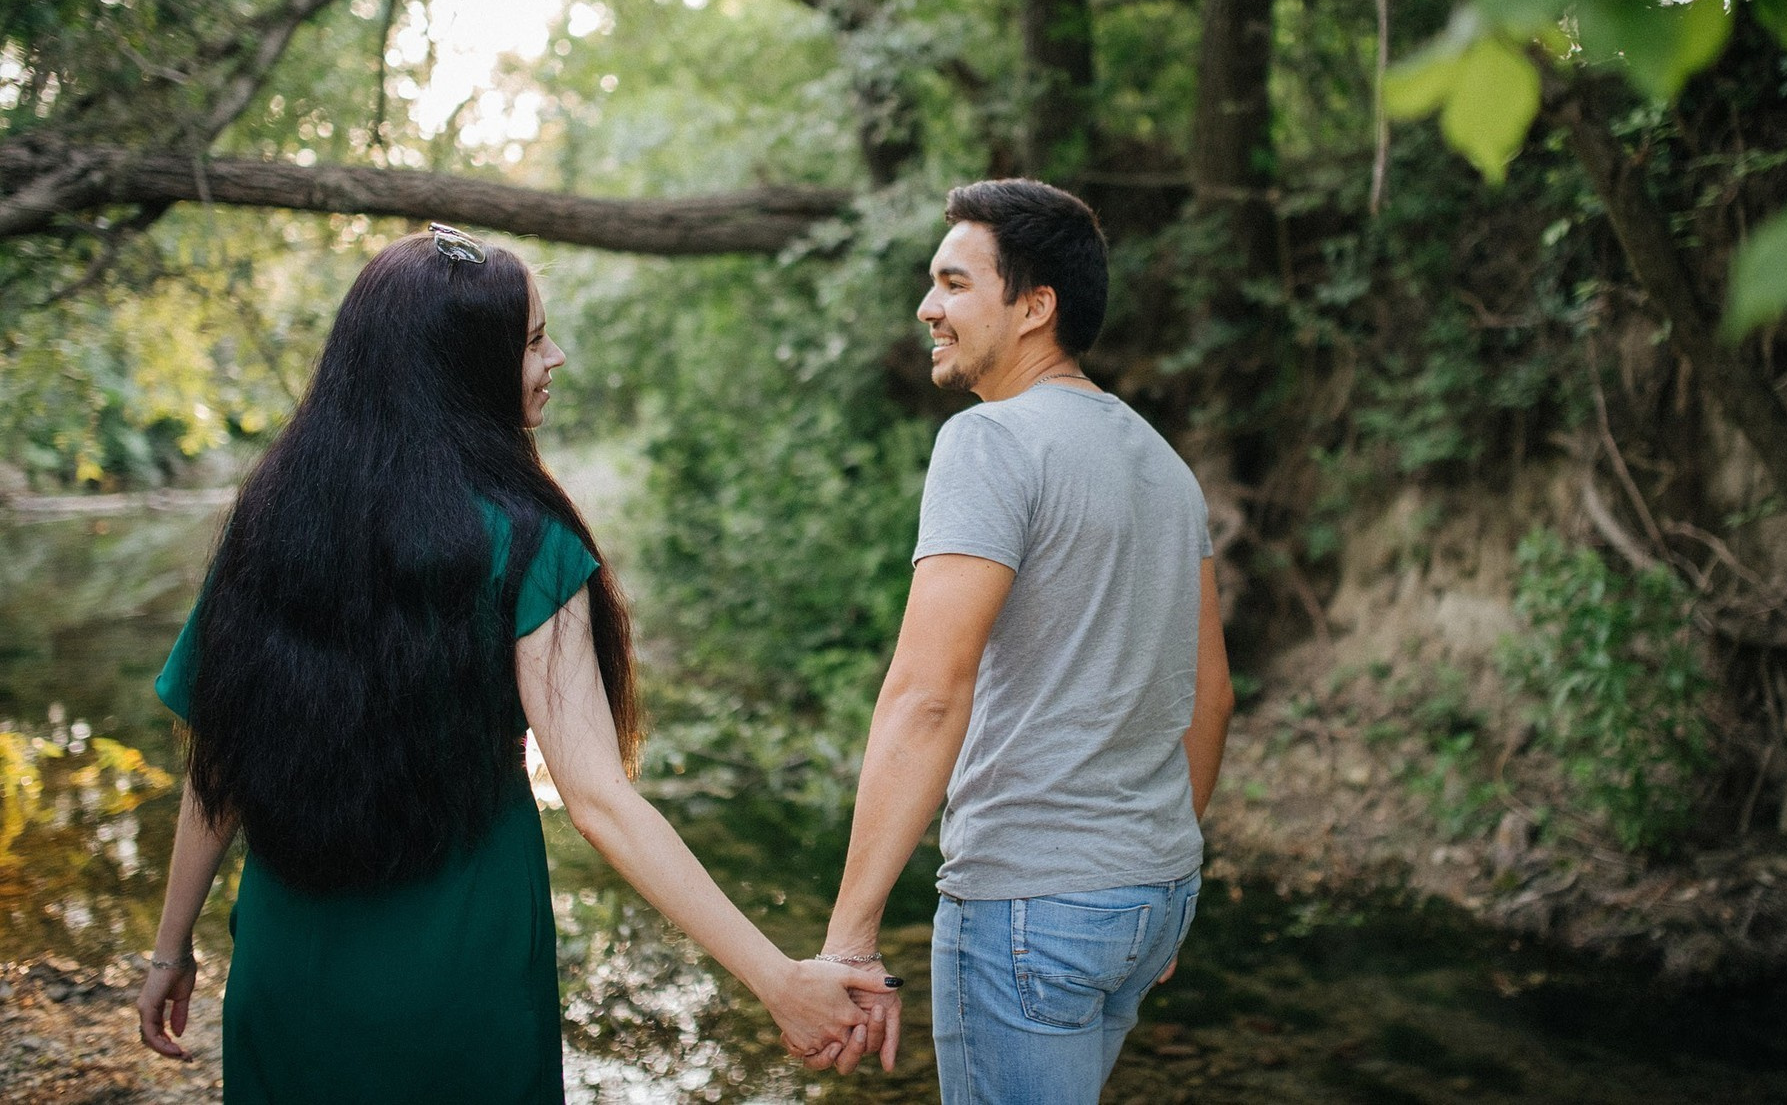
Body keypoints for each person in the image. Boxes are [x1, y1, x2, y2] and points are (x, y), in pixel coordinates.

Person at [134, 224, 890, 1102]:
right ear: (462, 365)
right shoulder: (527, 544)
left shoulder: (270, 523)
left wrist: (170, 949)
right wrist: (776, 979)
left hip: (289, 964)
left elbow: (220, 763)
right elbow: (600, 800)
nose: (555, 357)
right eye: (532, 340)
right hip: (463, 968)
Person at [812, 179, 1235, 1100]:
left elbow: (928, 696)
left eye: (956, 284)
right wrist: (1159, 879)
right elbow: (1212, 698)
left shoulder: (990, 442)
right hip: (1151, 893)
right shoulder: (1165, 466)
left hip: (1030, 905)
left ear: (1035, 306)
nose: (929, 306)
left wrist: (849, 937)